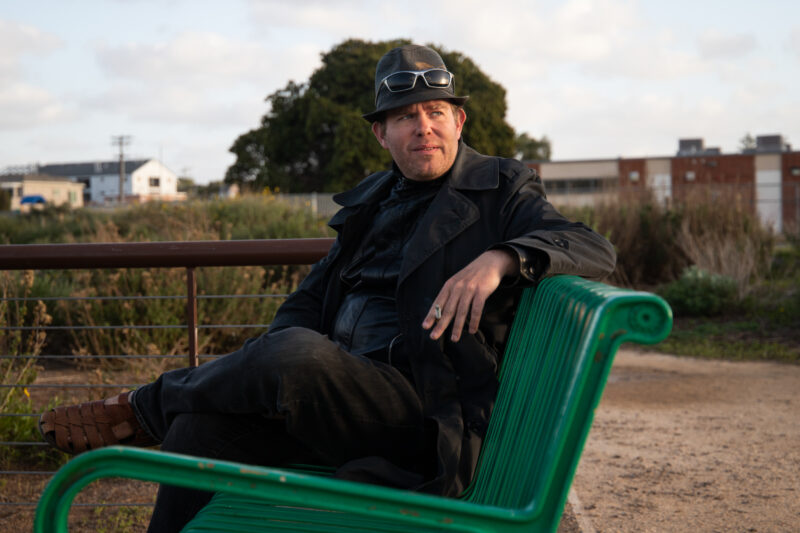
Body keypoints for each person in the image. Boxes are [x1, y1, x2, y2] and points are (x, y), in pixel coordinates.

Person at [39, 44, 617, 531]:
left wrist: (503, 256)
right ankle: (166, 417)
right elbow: (308, 302)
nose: (425, 127)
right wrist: (271, 377)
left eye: (437, 111)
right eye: (406, 117)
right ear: (380, 134)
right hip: (338, 399)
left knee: (295, 355)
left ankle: (144, 407)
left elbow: (593, 247)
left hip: (426, 415)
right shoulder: (373, 201)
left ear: (459, 121)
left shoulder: (502, 189)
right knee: (202, 426)